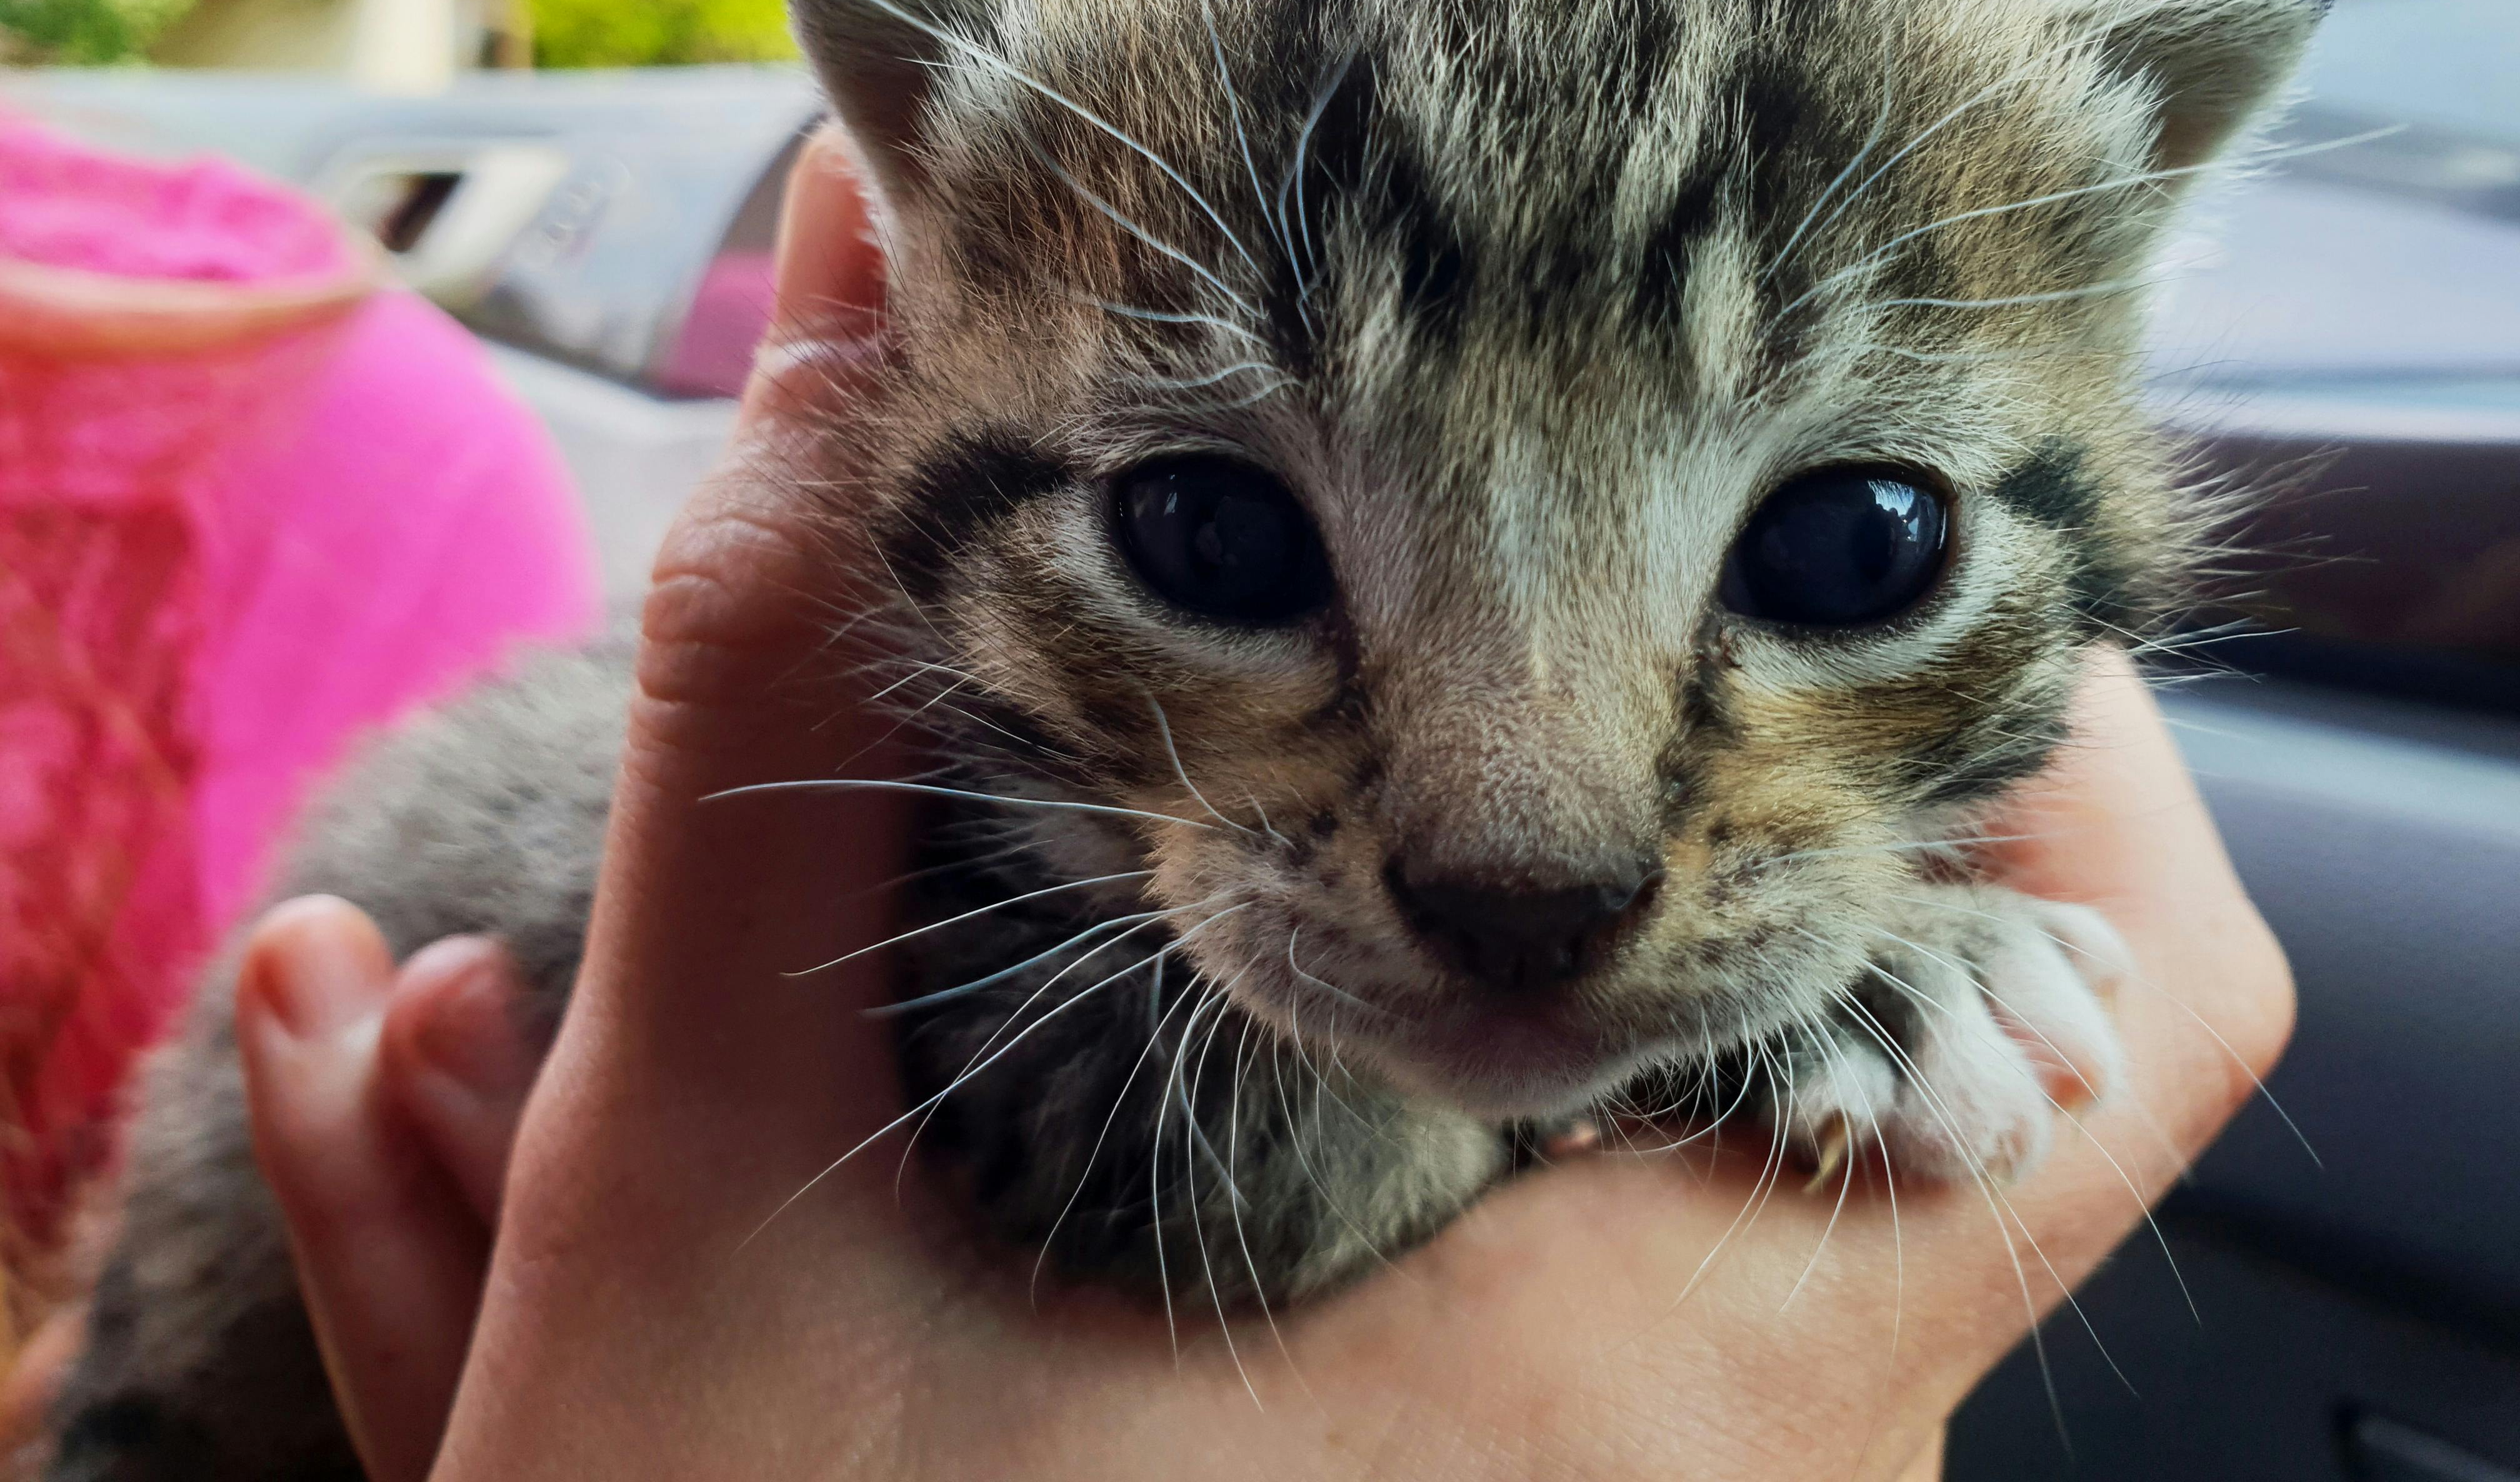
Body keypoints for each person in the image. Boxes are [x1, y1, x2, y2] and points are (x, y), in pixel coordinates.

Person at [17, 130, 2297, 1481]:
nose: (1535, 858)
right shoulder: (963, 849)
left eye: (1843, 546)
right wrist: (1778, 983)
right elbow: (1190, 1201)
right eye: (1219, 537)